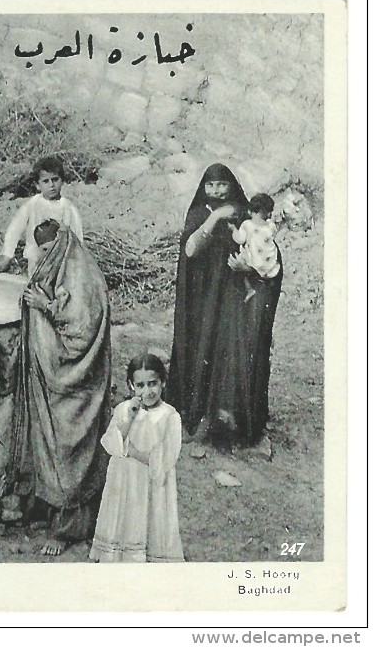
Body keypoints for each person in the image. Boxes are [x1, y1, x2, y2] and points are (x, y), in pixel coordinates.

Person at [7, 218, 111, 556]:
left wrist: (46, 308)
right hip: (51, 377)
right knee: (48, 441)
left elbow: (81, 331)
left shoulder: (83, 277)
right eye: (43, 250)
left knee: (71, 445)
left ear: (63, 245)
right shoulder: (58, 269)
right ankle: (48, 508)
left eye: (52, 249)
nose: (47, 255)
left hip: (76, 380)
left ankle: (72, 527)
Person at [167, 164, 283, 446]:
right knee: (202, 347)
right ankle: (198, 418)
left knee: (232, 355)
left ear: (232, 186)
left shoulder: (246, 215)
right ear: (203, 187)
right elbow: (190, 250)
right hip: (204, 299)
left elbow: (269, 255)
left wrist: (248, 268)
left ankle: (230, 424)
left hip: (234, 301)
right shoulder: (199, 213)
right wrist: (215, 217)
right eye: (211, 185)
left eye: (222, 185)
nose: (217, 191)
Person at [90, 353, 184, 563]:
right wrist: (130, 417)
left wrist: (132, 452)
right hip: (125, 482)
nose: (147, 391)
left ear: (163, 382)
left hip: (151, 485)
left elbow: (166, 461)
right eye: (140, 385)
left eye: (153, 384)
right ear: (131, 386)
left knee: (149, 520)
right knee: (125, 517)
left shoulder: (170, 417)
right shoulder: (124, 410)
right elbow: (111, 443)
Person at [0, 156, 84, 276]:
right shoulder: (32, 205)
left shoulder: (69, 208)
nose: (51, 185)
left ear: (62, 180)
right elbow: (14, 229)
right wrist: (7, 254)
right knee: (37, 289)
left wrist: (77, 262)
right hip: (36, 260)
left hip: (61, 262)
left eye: (55, 179)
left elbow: (77, 237)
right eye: (46, 181)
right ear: (37, 185)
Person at [229, 192, 281, 301]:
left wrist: (234, 229)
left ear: (249, 211)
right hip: (268, 261)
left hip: (254, 261)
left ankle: (249, 289)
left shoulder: (247, 224)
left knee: (238, 262)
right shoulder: (271, 225)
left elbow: (240, 239)